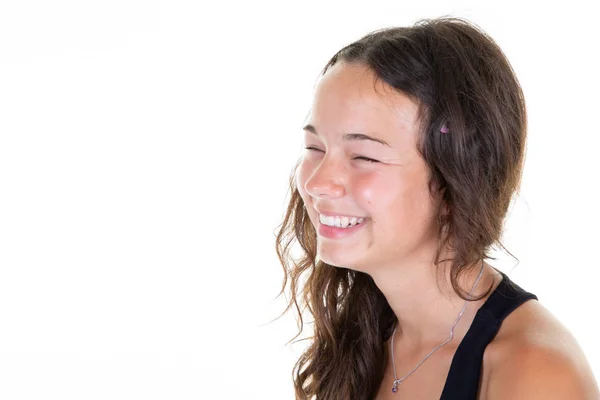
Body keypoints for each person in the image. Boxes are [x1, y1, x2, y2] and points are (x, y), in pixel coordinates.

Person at [274, 16, 600, 400]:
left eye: (363, 156)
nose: (317, 183)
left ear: (456, 178)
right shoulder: (366, 330)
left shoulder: (535, 373)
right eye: (316, 149)